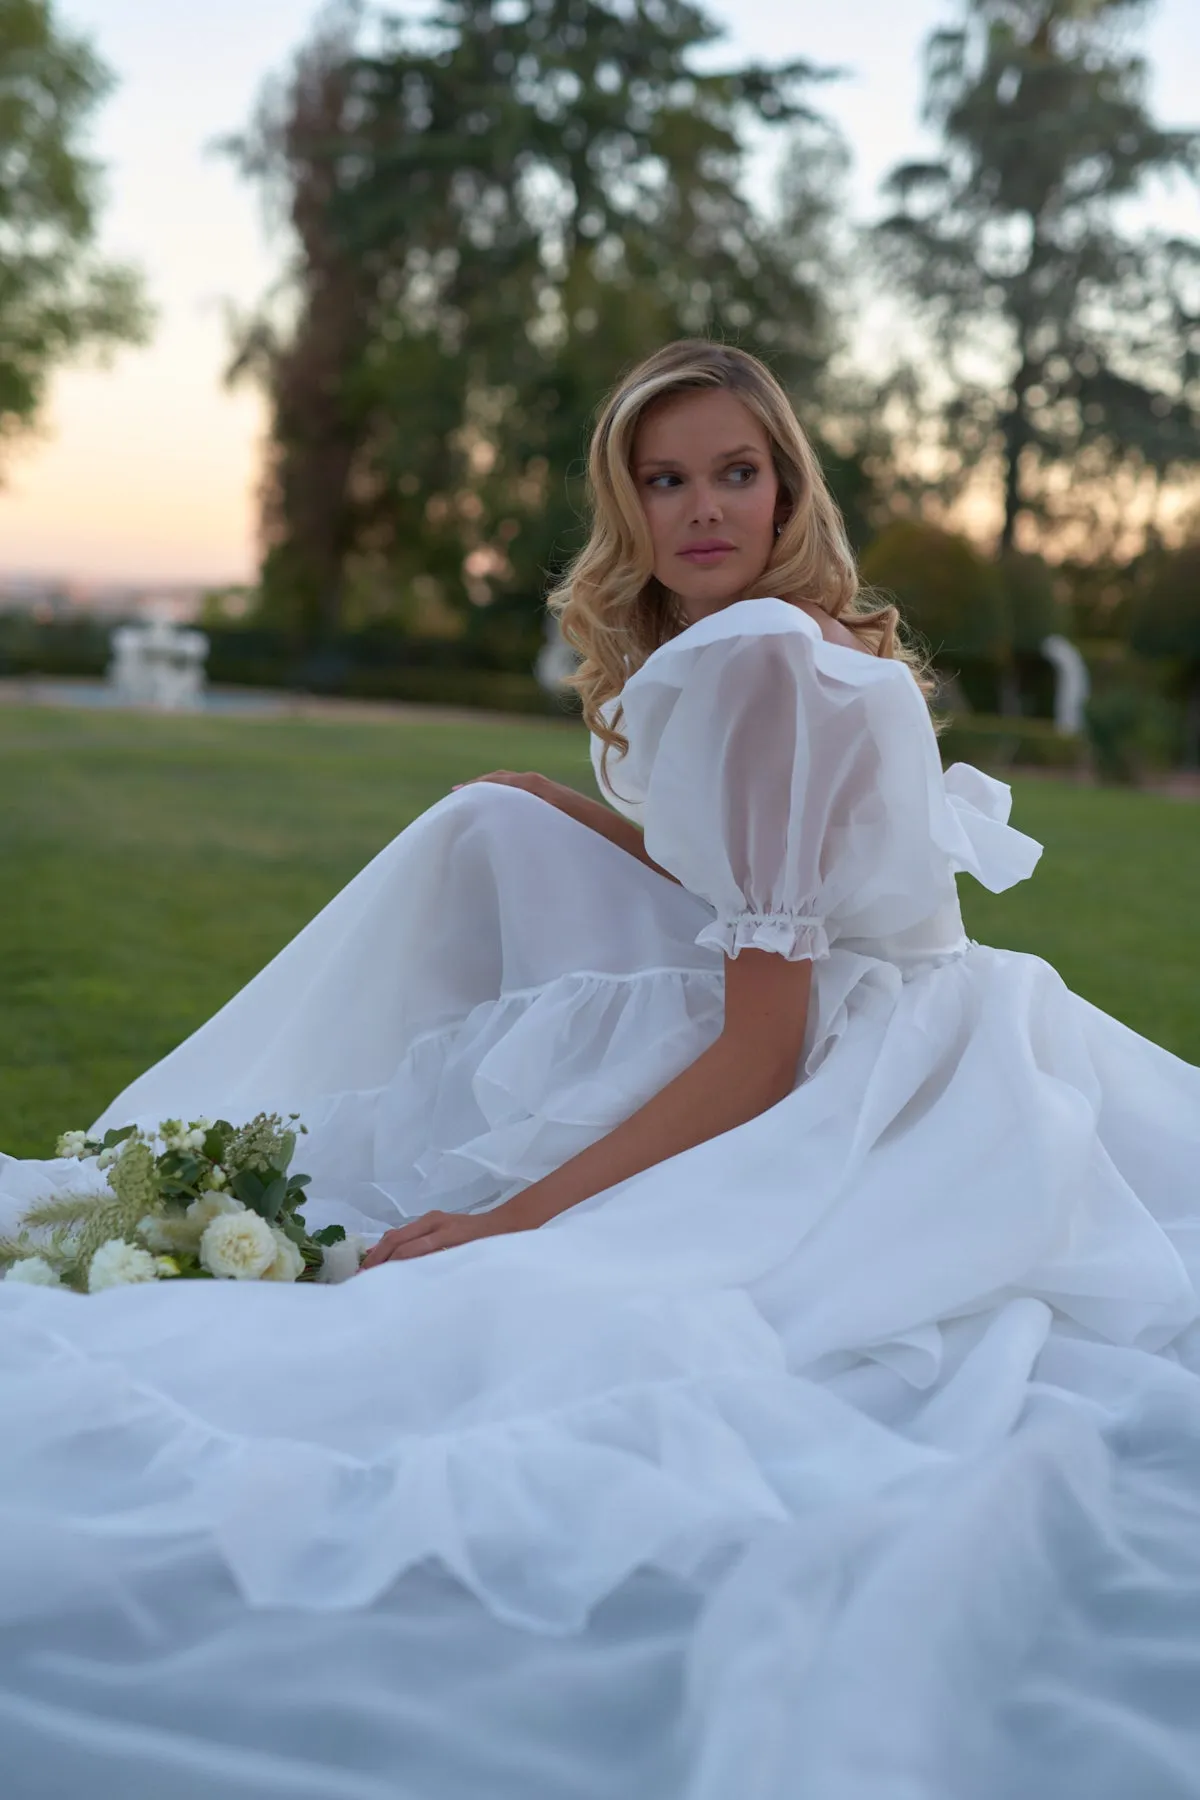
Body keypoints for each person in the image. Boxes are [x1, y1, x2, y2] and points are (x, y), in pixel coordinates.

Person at [0, 340, 1197, 1800]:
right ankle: (355, 1130)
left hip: (876, 1067)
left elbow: (764, 1043)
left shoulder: (763, 657)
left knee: (478, 892)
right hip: (925, 1013)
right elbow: (764, 891)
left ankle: (364, 1143)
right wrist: (574, 813)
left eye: (735, 474)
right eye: (665, 479)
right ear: (627, 504)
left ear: (784, 487)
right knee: (492, 822)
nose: (702, 508)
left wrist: (524, 1217)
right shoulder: (783, 640)